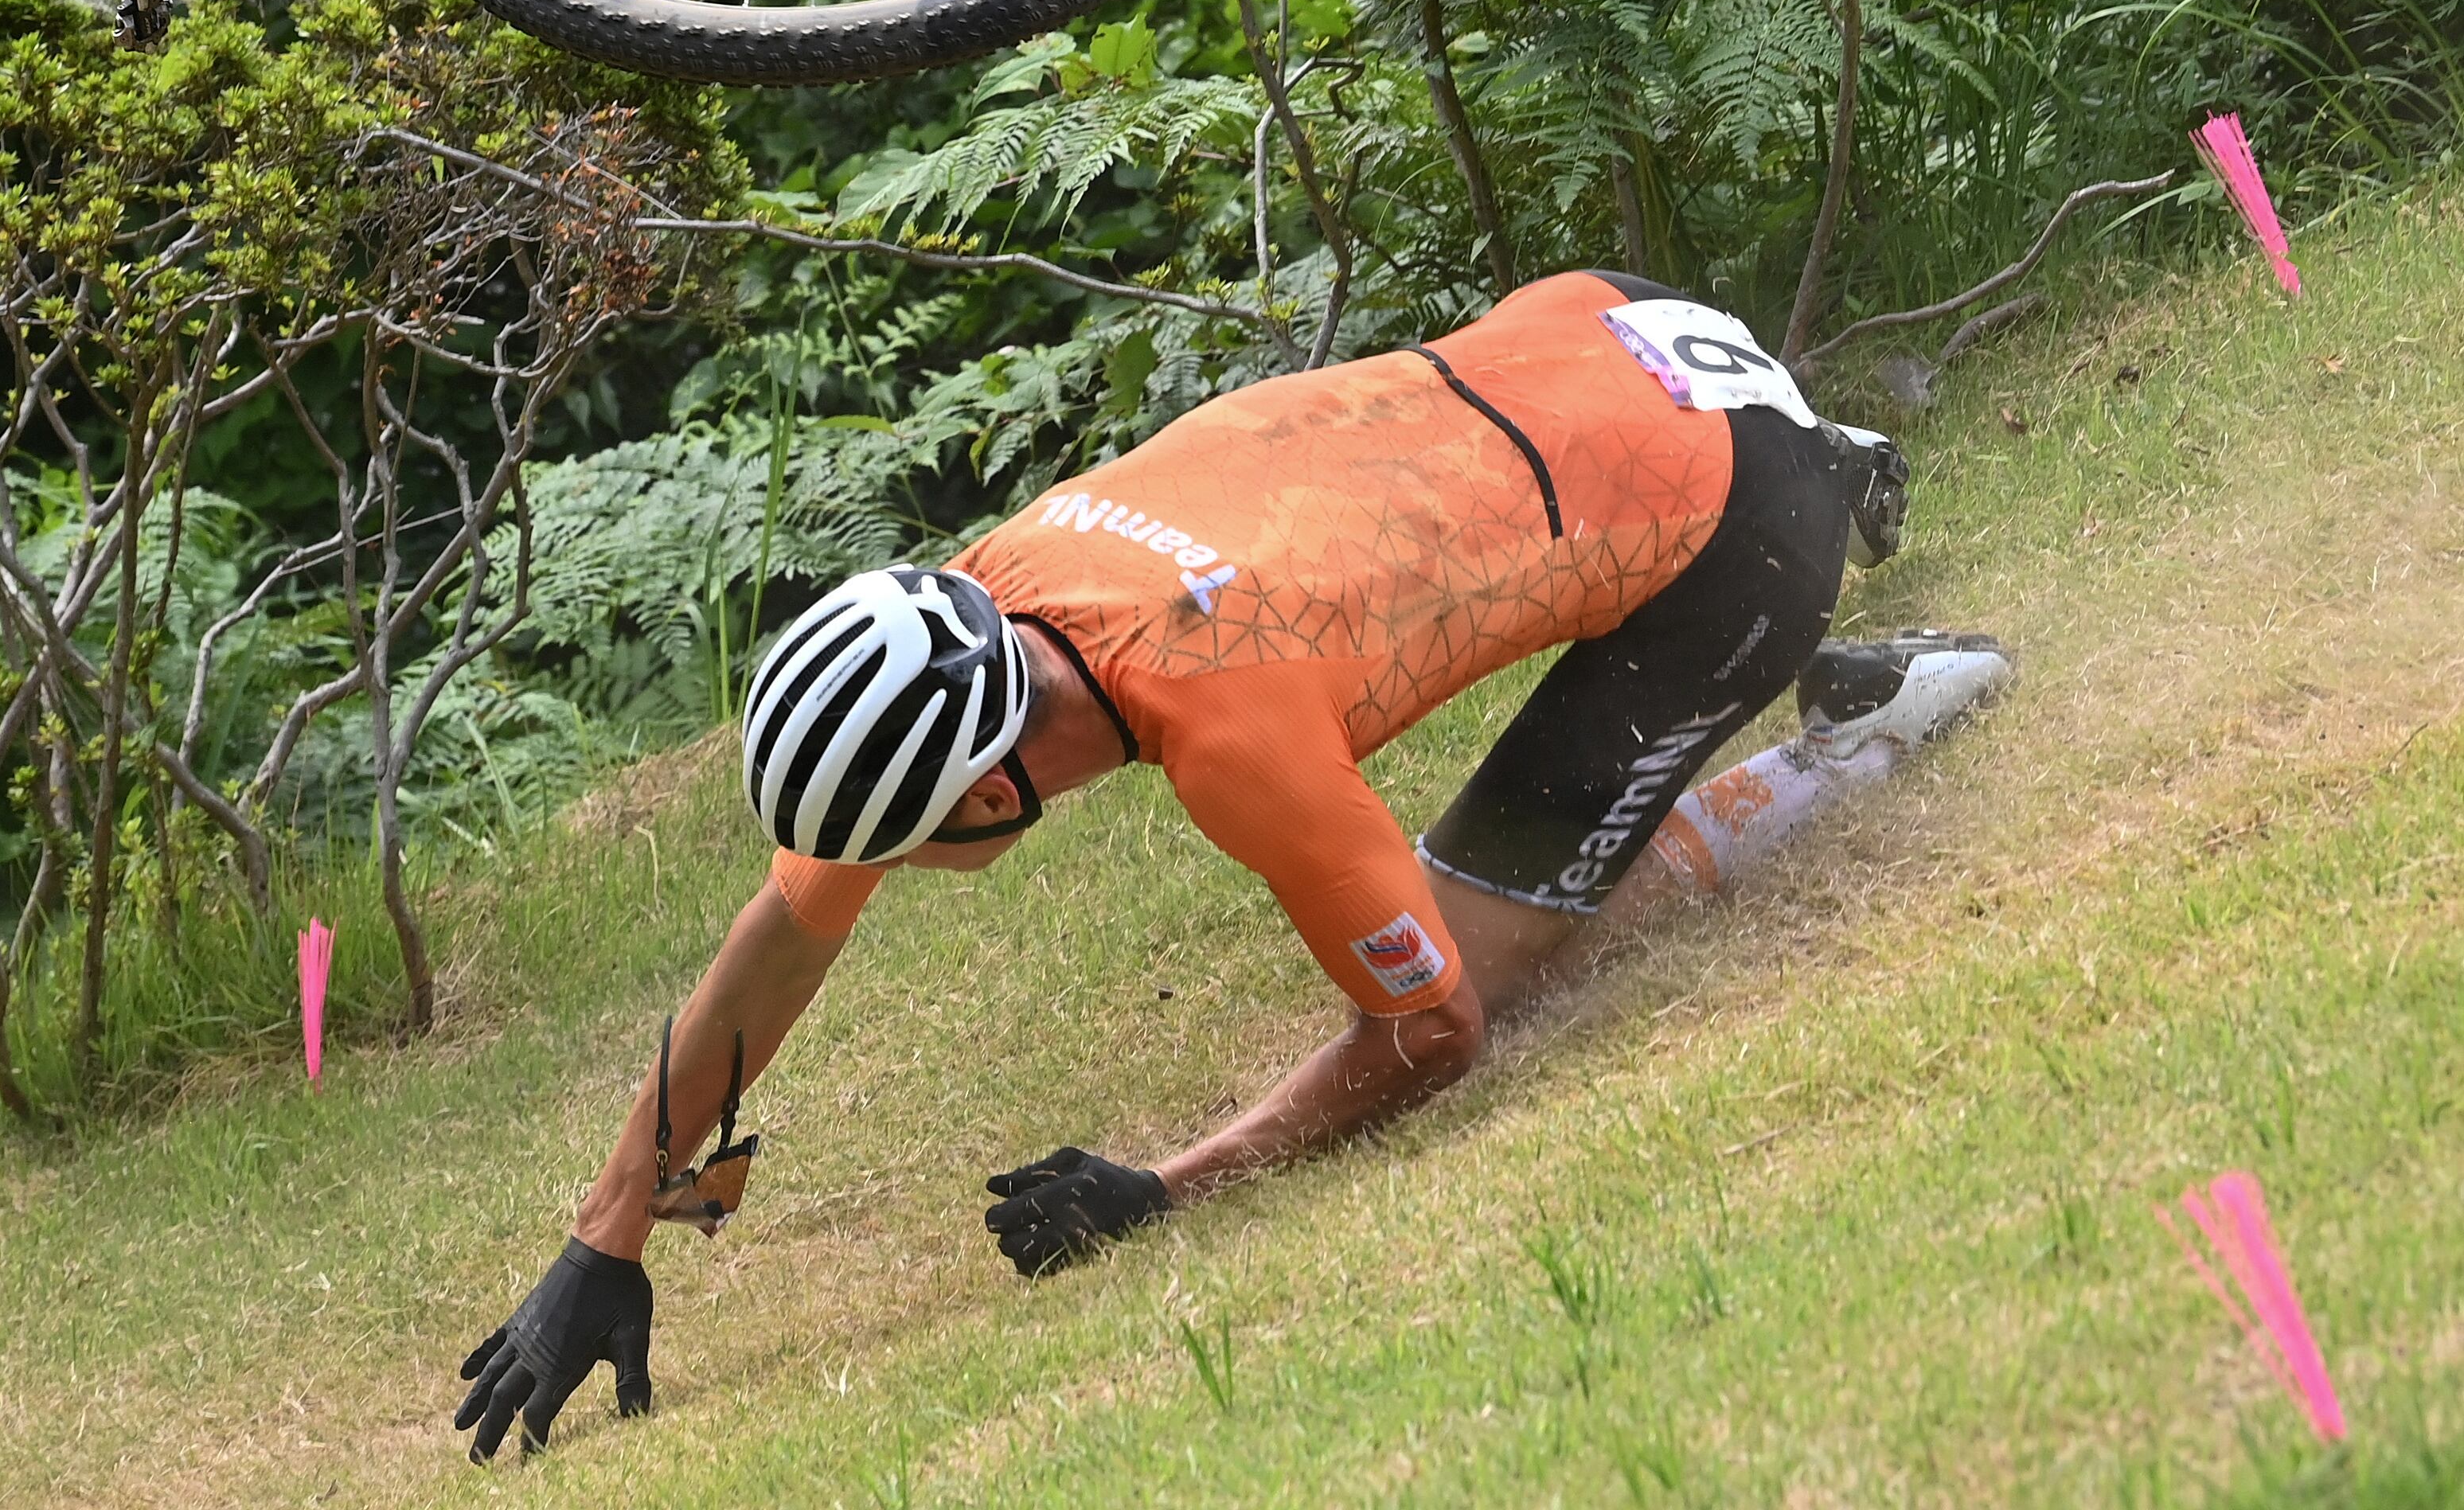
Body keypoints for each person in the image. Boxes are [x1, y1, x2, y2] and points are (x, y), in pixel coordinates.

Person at [450, 271, 2013, 1460]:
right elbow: (785, 933)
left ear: (987, 800)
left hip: (1734, 512)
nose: (895, 884)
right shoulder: (997, 591)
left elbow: (1433, 1036)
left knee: (1501, 963)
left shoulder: (1236, 734)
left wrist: (1168, 1189)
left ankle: (1866, 711)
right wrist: (607, 1236)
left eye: (911, 853)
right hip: (1612, 323)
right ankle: (1820, 450)